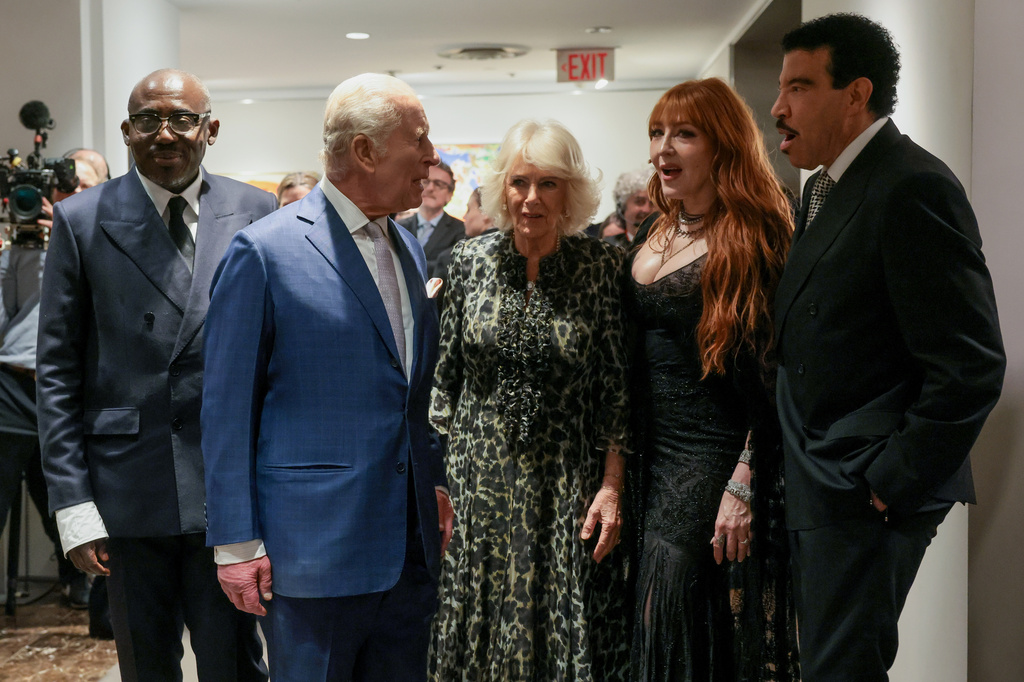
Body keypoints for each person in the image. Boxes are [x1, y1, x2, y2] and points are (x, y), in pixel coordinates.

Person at [770, 14, 1004, 680]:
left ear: (855, 95)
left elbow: (972, 365)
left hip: (860, 486)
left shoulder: (910, 185)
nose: (779, 107)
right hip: (823, 480)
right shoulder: (822, 186)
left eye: (800, 86)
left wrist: (886, 481)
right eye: (782, 87)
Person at [201, 73, 453, 682]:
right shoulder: (264, 251)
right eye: (418, 140)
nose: (431, 158)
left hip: (408, 547)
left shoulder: (408, 247)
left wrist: (435, 484)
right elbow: (227, 408)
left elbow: (408, 395)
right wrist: (235, 545)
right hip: (312, 553)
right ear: (365, 151)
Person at [36, 69, 276, 682]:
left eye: (182, 119)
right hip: (126, 488)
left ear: (210, 129)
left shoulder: (255, 209)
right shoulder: (82, 220)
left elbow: (277, 356)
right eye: (147, 119)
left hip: (227, 487)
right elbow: (58, 371)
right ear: (126, 130)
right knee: (146, 666)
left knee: (233, 664)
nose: (164, 133)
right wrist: (73, 503)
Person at [430, 119, 631, 681]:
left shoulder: (602, 267)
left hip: (568, 484)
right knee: (481, 621)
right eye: (520, 182)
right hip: (479, 483)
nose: (531, 198)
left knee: (562, 620)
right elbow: (444, 385)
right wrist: (439, 481)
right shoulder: (469, 263)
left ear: (571, 193)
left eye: (549, 184)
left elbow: (617, 390)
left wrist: (612, 486)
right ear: (502, 189)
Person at [624, 78, 798, 681]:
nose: (662, 149)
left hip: (710, 457)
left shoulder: (755, 236)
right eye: (656, 133)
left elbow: (777, 376)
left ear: (722, 145)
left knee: (671, 607)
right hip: (649, 454)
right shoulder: (656, 229)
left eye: (684, 134)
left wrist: (744, 481)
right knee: (653, 612)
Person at [0, 156, 102, 614]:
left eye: (82, 184)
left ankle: (82, 584)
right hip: (14, 387)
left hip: (78, 396)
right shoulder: (20, 247)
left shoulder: (109, 239)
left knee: (65, 498)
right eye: (63, 184)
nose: (68, 193)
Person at [398, 158, 465, 278]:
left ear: (449, 195)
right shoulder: (398, 226)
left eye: (439, 184)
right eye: (426, 182)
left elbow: (450, 268)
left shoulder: (461, 230)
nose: (430, 188)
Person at [603, 167, 653, 249]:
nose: (647, 209)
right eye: (639, 202)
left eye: (653, 203)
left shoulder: (669, 245)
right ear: (622, 208)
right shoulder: (609, 247)